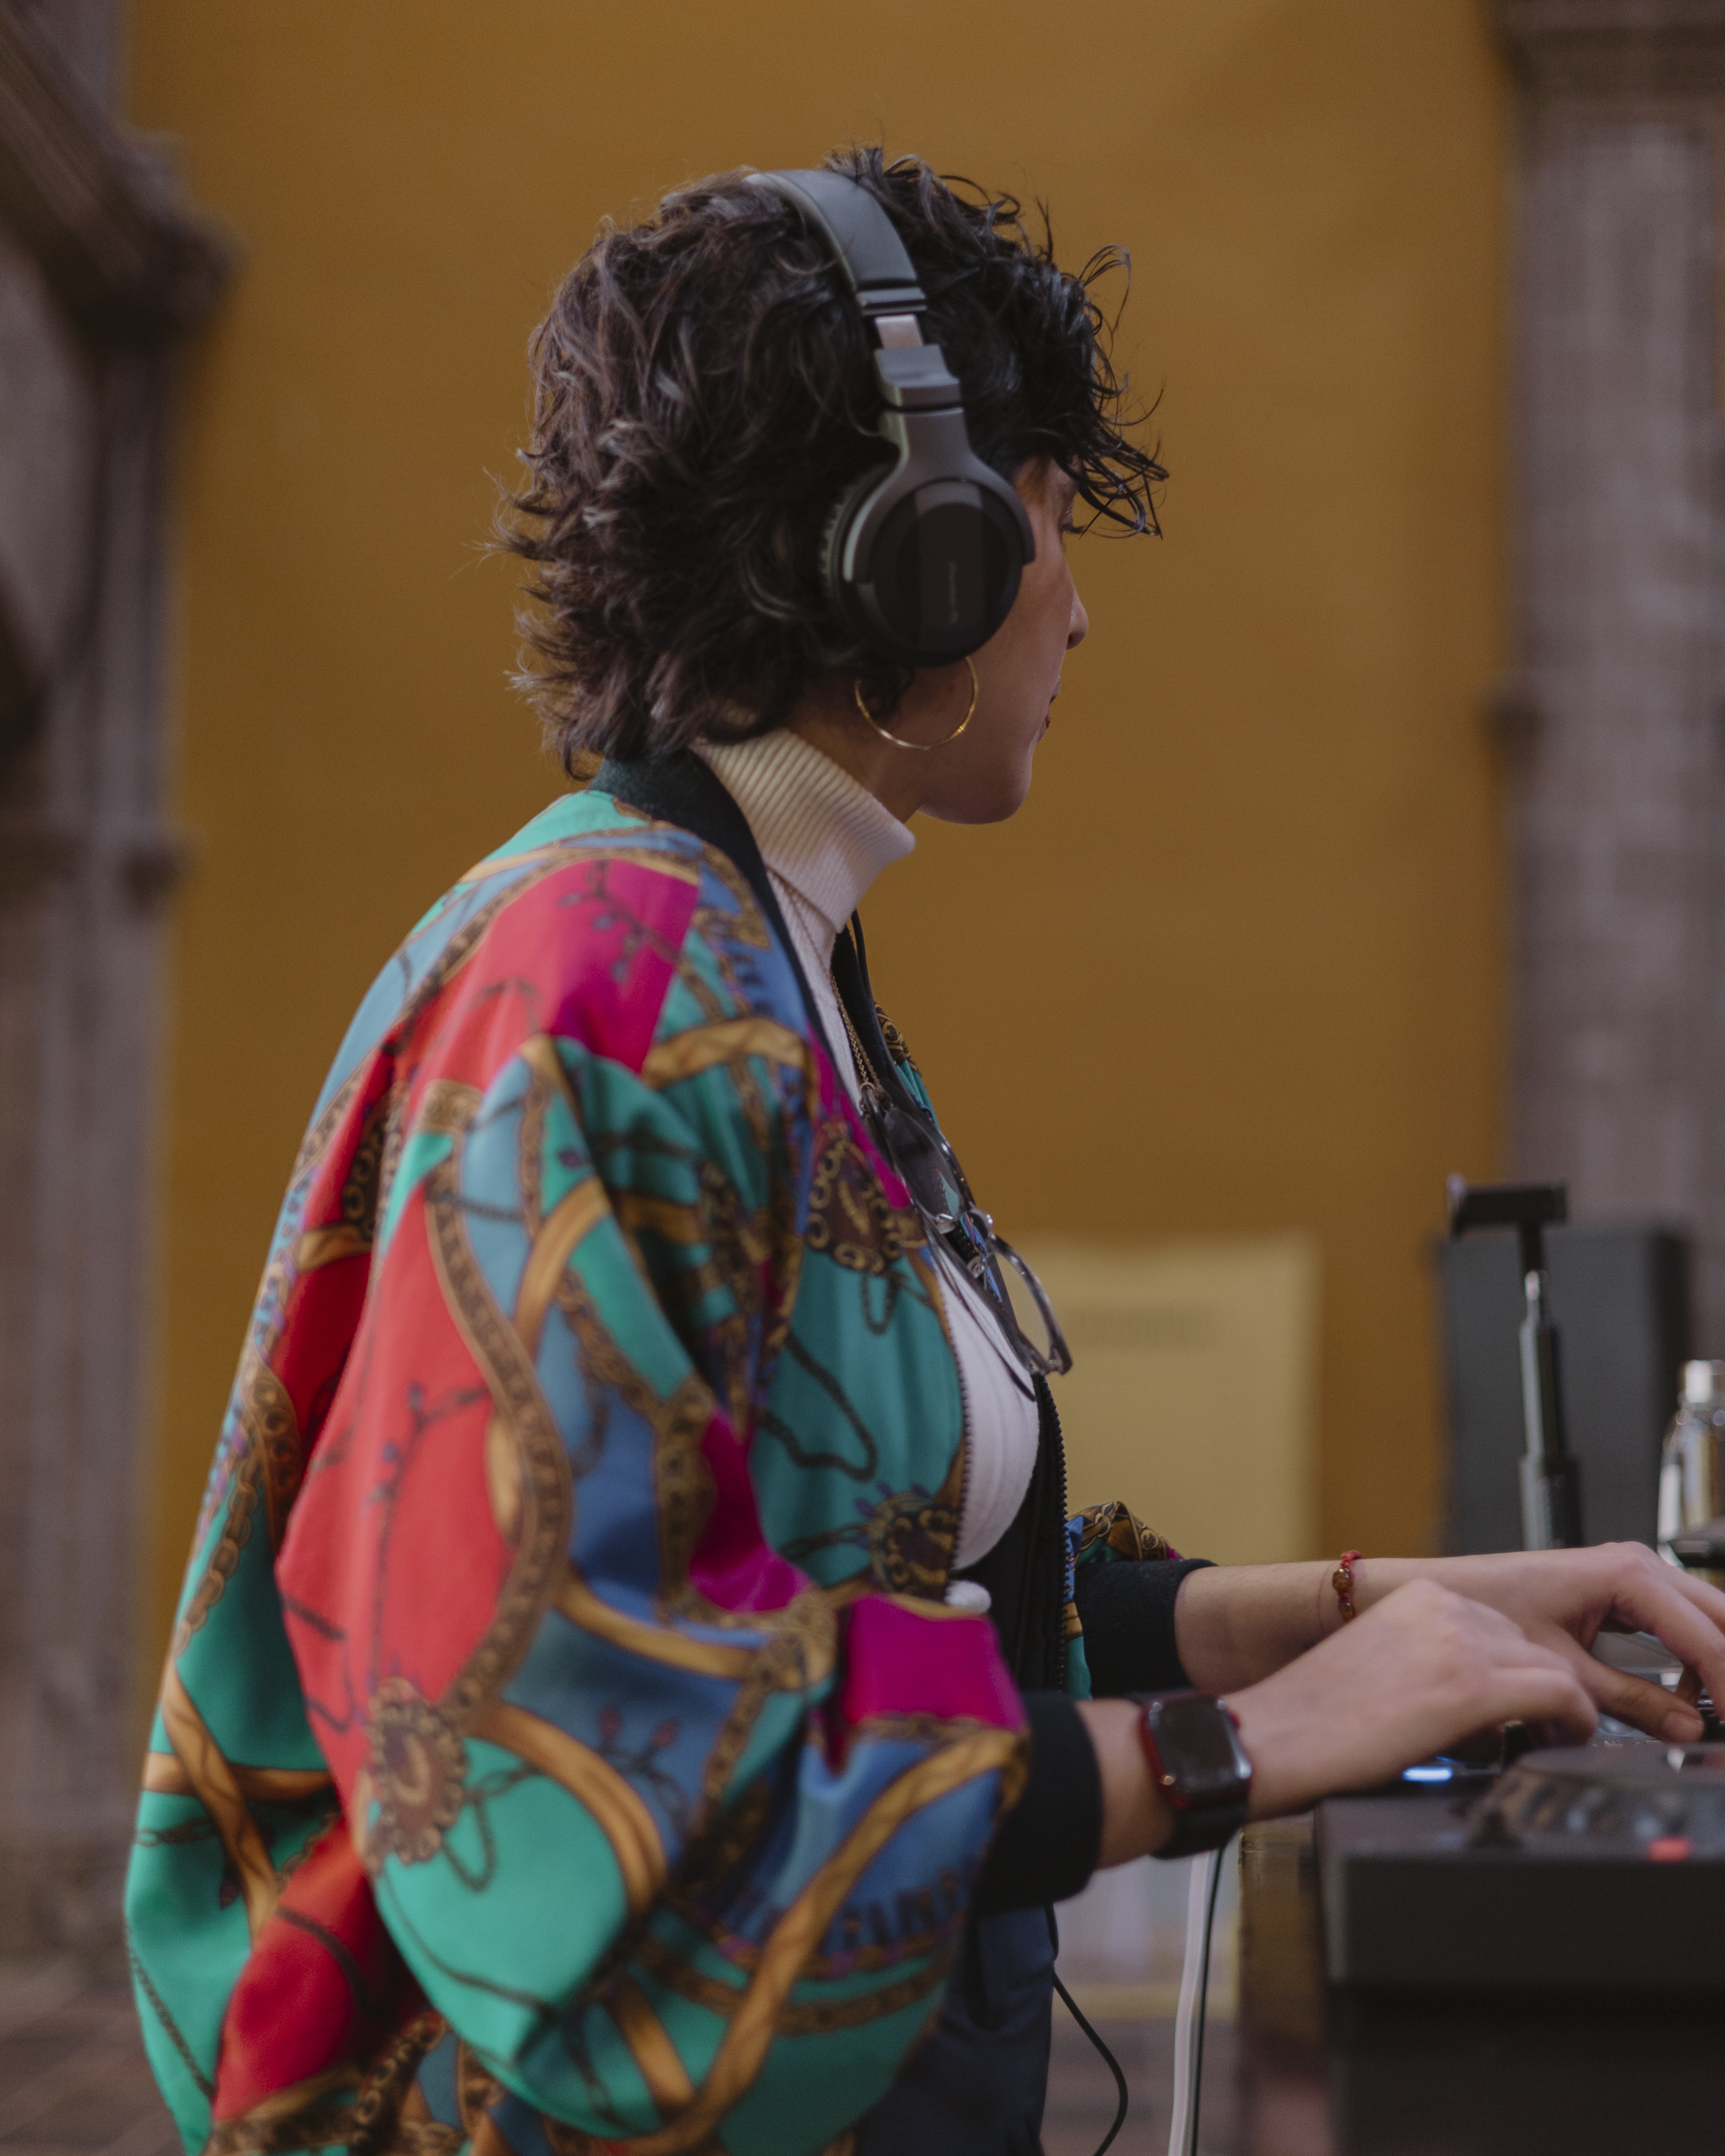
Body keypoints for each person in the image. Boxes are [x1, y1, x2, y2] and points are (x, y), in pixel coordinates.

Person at [126, 148, 1725, 2156]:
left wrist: (1401, 1610)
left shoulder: (767, 954)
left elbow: (913, 1592)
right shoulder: (603, 979)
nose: (1083, 604)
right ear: (924, 547)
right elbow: (592, 1782)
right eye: (1053, 521)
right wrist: (1246, 1747)